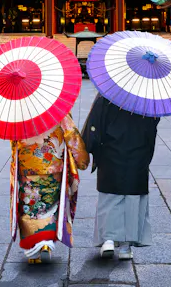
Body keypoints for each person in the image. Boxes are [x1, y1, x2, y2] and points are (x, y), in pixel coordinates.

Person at [82, 94, 160, 261]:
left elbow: (95, 123)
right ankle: (126, 247)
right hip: (138, 151)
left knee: (110, 196)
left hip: (111, 150)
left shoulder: (109, 93)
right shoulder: (148, 95)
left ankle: (108, 240)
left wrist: (91, 147)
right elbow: (153, 125)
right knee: (132, 198)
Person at [11, 113, 89, 263]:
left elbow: (14, 141)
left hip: (28, 167)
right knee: (50, 205)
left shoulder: (19, 111)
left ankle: (33, 250)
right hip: (53, 165)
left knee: (30, 206)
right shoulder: (58, 109)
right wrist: (82, 159)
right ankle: (46, 243)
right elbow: (71, 135)